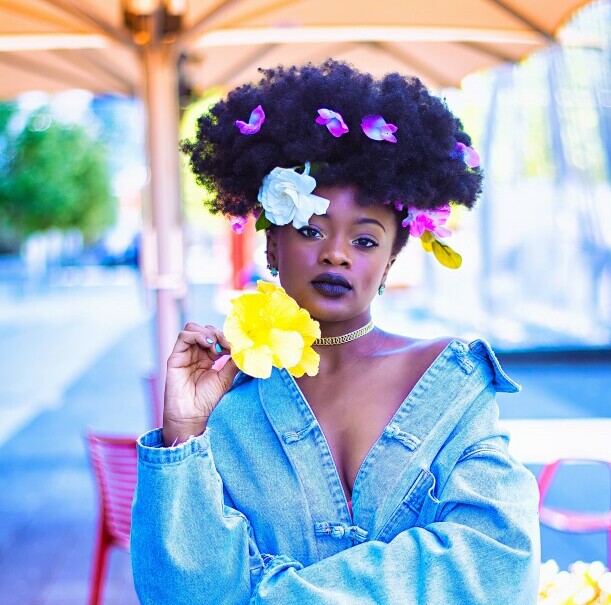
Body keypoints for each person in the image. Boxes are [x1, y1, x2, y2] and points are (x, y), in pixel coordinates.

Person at [130, 60, 540, 604]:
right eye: (309, 229)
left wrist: (265, 595)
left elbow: (500, 566)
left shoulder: (450, 384)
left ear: (392, 260)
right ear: (272, 245)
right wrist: (183, 433)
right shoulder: (225, 398)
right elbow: (181, 594)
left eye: (366, 240)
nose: (336, 253)